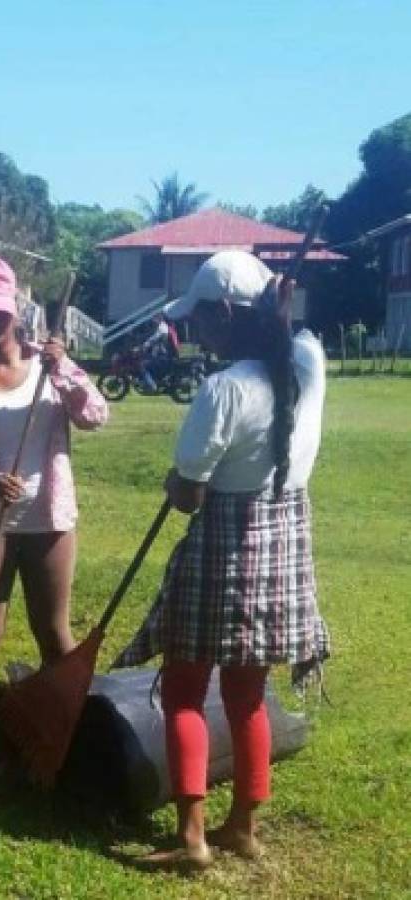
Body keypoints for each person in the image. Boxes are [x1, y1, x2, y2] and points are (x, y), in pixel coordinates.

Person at [114, 251, 330, 870]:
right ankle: (243, 827)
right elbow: (305, 339)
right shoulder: (307, 368)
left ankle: (191, 838)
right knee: (247, 698)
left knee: (183, 693)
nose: (194, 331)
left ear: (227, 313)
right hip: (284, 552)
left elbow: (189, 494)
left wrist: (174, 482)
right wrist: (279, 308)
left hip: (224, 553)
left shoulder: (224, 389)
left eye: (200, 318)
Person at [0, 255, 108, 674]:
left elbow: (94, 417)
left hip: (47, 517)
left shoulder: (49, 369)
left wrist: (64, 371)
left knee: (53, 631)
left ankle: (66, 725)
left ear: (14, 312)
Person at [139, 313, 180, 392]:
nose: (153, 321)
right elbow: (150, 337)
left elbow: (153, 339)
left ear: (159, 318)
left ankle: (152, 385)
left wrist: (144, 346)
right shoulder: (162, 327)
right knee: (146, 360)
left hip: (163, 357)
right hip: (162, 355)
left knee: (142, 365)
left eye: (154, 318)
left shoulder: (162, 328)